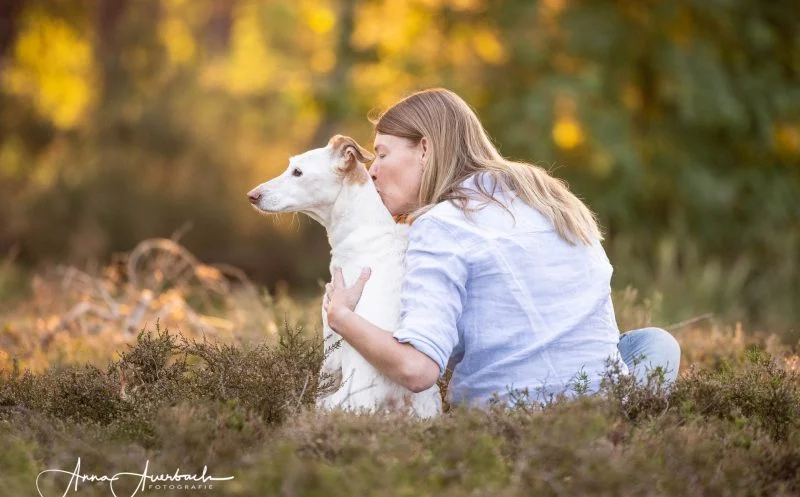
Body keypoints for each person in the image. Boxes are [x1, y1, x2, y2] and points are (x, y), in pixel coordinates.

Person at [323, 88, 681, 408]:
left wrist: (343, 318)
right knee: (655, 343)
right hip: (602, 401)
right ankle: (624, 419)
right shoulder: (550, 198)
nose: (373, 172)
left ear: (426, 149)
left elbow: (417, 370)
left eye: (382, 155)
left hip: (508, 416)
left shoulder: (440, 224)